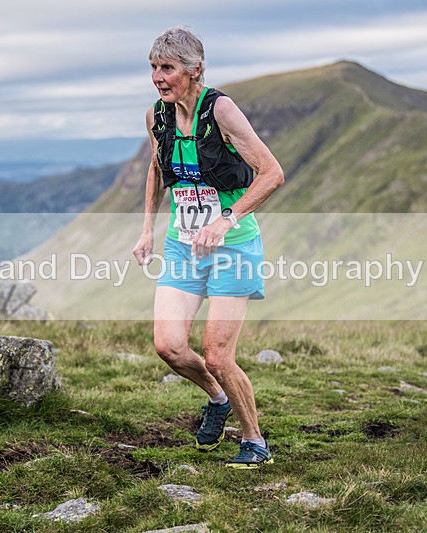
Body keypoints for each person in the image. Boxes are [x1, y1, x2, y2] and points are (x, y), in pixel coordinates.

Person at [132, 27, 284, 469]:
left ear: (195, 70)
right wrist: (147, 229)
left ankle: (254, 441)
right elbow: (158, 170)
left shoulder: (220, 110)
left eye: (168, 68)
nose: (159, 77)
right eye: (154, 67)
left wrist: (226, 219)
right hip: (184, 245)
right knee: (169, 346)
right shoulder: (156, 116)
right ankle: (217, 401)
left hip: (233, 245)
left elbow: (271, 173)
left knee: (217, 355)